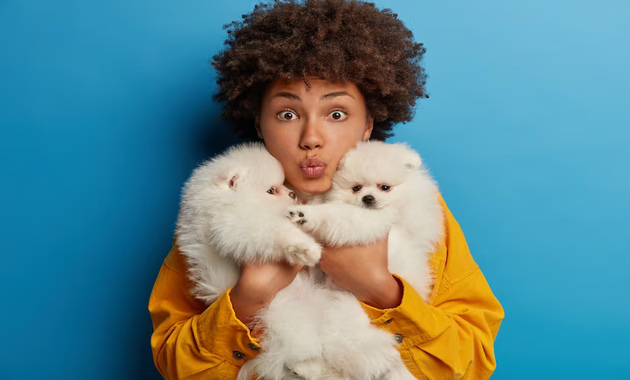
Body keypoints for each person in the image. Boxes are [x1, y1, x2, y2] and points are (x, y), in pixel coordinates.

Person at [148, 0, 505, 379]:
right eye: (288, 114)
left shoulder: (413, 205)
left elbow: (473, 361)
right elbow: (173, 363)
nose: (311, 138)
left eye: (336, 114)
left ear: (368, 124)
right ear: (259, 122)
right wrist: (246, 300)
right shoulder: (221, 206)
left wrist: (383, 291)